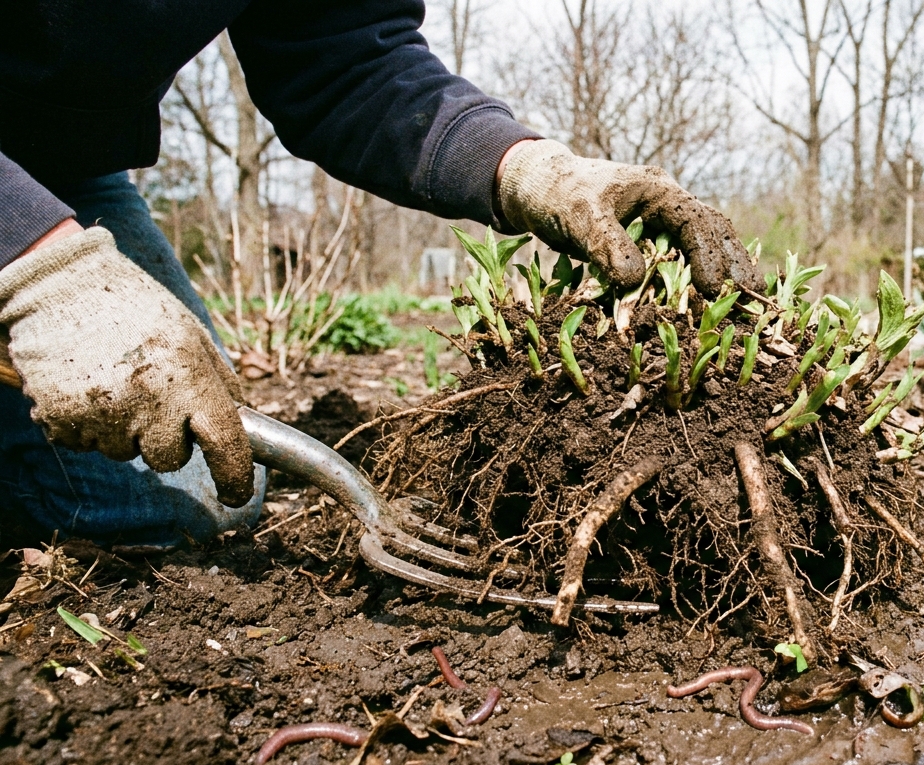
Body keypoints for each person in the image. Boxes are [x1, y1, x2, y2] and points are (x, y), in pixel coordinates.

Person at [0, 0, 760, 550]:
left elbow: (349, 56)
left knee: (192, 505)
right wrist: (38, 271)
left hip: (62, 168)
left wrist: (524, 168)